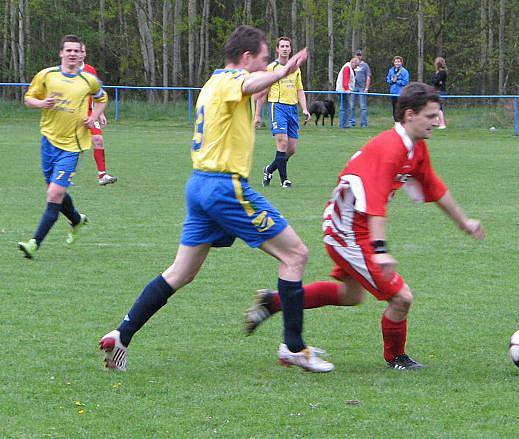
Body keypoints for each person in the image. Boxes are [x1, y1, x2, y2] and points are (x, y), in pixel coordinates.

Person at [99, 25, 334, 374]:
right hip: (225, 187)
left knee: (181, 272)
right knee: (296, 254)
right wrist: (283, 72)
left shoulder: (210, 84)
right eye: (264, 60)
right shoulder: (229, 81)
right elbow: (248, 83)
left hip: (199, 186)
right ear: (245, 58)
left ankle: (122, 334)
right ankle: (294, 348)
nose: (267, 65)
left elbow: (249, 89)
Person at [245, 82, 485, 370]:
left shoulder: (414, 148)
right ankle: (396, 358)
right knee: (402, 297)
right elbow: (375, 202)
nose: (438, 121)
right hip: (346, 232)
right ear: (409, 115)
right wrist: (379, 249)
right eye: (431, 115)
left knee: (351, 295)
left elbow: (434, 187)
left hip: (352, 227)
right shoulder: (391, 147)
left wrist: (464, 222)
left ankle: (274, 302)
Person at [18, 35, 108, 259]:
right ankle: (77, 220)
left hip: (73, 145)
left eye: (77, 51)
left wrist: (94, 117)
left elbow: (102, 98)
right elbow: (28, 99)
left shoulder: (88, 80)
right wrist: (41, 103)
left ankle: (33, 244)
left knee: (55, 192)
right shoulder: (47, 75)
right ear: (61, 53)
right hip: (48, 141)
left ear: (81, 55)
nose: (73, 54)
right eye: (69, 50)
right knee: (55, 191)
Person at [255, 37, 311, 188]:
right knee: (282, 142)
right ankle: (284, 180)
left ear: (291, 49)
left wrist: (304, 108)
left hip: (292, 109)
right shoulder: (271, 68)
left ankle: (269, 169)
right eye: (282, 46)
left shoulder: (296, 69)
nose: (285, 48)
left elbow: (299, 89)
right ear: (277, 49)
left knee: (291, 149)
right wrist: (258, 114)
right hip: (277, 106)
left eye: (287, 46)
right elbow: (263, 92)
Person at [79, 43, 118, 186]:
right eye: (76, 51)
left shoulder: (90, 70)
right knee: (73, 146)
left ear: (84, 53)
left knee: (98, 139)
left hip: (90, 113)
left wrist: (100, 113)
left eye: (81, 51)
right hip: (73, 114)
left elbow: (97, 94)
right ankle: (66, 176)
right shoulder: (66, 71)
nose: (79, 54)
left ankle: (102, 175)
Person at [350, 49, 372, 128]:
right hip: (353, 87)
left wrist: (366, 88)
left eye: (360, 55)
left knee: (363, 106)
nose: (358, 56)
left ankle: (364, 123)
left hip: (362, 87)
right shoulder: (351, 64)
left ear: (362, 56)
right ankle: (352, 122)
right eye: (357, 55)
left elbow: (368, 77)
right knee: (352, 105)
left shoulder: (365, 65)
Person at [336, 57, 359, 129]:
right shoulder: (347, 68)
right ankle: (343, 124)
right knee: (346, 107)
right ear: (353, 62)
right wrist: (347, 89)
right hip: (343, 90)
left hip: (344, 90)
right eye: (356, 65)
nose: (356, 67)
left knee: (346, 107)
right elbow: (345, 80)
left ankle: (344, 124)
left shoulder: (349, 67)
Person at [386, 56, 410, 122]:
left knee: (401, 108)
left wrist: (397, 81)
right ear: (393, 62)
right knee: (394, 108)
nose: (397, 63)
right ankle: (396, 122)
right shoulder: (391, 70)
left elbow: (405, 82)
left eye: (399, 62)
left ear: (401, 63)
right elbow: (388, 80)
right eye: (396, 62)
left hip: (401, 93)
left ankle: (402, 121)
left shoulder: (404, 71)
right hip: (393, 93)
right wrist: (392, 81)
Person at [430, 56, 447, 129]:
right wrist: (436, 79)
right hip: (436, 91)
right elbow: (434, 81)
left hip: (440, 91)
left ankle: (442, 124)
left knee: (439, 108)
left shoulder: (443, 72)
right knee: (435, 107)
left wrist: (437, 80)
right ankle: (436, 122)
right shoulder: (437, 72)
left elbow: (437, 81)